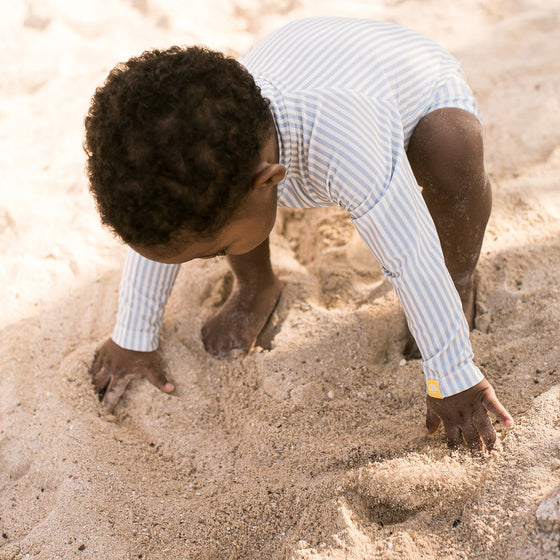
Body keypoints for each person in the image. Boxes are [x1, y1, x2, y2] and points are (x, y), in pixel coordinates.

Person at [85, 17, 513, 451]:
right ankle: (256, 284)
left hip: (413, 91)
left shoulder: (347, 149)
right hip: (307, 74)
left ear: (268, 181)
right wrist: (132, 336)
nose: (204, 259)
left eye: (213, 253)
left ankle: (458, 281)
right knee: (223, 217)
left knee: (453, 151)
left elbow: (411, 252)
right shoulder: (229, 147)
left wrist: (453, 374)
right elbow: (164, 228)